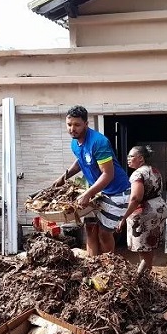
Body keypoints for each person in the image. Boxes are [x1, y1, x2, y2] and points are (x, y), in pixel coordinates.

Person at [53, 105, 131, 256]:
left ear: (86, 124)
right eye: (69, 125)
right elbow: (80, 161)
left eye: (77, 125)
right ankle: (92, 264)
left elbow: (108, 174)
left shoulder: (98, 142)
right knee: (90, 229)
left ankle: (108, 265)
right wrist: (64, 177)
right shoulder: (74, 143)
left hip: (117, 192)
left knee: (104, 233)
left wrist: (88, 193)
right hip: (98, 192)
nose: (72, 129)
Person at [115, 145, 167, 272]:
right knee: (149, 245)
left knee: (143, 247)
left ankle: (142, 275)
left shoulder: (137, 174)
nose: (128, 159)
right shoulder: (154, 170)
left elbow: (136, 198)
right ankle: (147, 271)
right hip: (159, 208)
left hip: (146, 212)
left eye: (131, 156)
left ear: (140, 158)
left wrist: (124, 217)